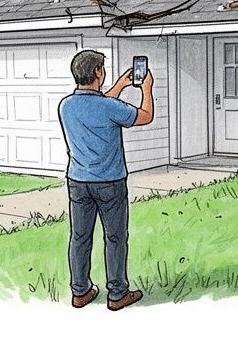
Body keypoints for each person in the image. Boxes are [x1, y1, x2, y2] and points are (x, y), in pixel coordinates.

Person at [57, 50, 153, 311]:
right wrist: (146, 88)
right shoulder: (110, 107)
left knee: (80, 237)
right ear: (98, 72)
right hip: (110, 182)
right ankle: (117, 294)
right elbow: (145, 115)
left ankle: (80, 292)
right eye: (103, 69)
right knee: (115, 237)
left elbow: (96, 106)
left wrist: (119, 85)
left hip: (78, 181)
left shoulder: (66, 105)